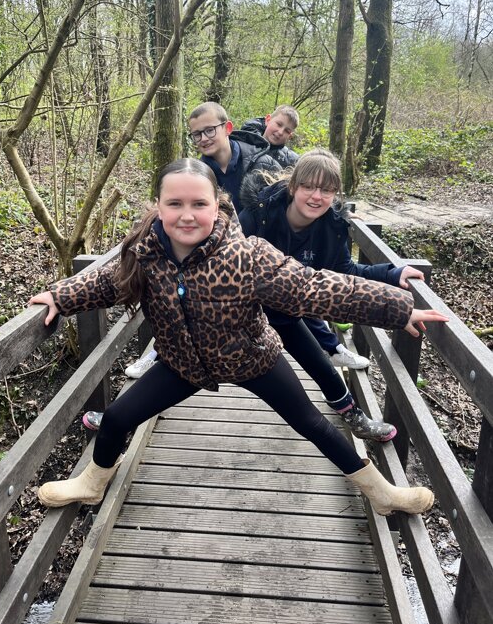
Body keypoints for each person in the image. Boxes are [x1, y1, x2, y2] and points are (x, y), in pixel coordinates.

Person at [30, 158, 447, 516]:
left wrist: (397, 308)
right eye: (175, 204)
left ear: (217, 205)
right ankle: (92, 483)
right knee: (118, 418)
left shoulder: (247, 256)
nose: (187, 215)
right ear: (158, 206)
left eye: (199, 204)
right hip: (185, 364)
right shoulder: (146, 254)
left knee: (313, 423)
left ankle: (381, 493)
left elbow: (314, 287)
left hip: (253, 357)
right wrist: (59, 296)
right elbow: (107, 282)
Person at [124, 101, 283, 381]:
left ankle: (338, 388)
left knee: (292, 324)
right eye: (196, 134)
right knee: (184, 306)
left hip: (263, 256)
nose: (203, 138)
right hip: (218, 258)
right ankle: (160, 354)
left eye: (209, 130)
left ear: (227, 128)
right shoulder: (197, 173)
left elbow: (290, 197)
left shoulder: (262, 161)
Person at [239, 148, 427, 371]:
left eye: (326, 190)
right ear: (293, 186)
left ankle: (334, 352)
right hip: (250, 315)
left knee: (330, 380)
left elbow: (346, 271)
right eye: (308, 187)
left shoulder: (332, 227)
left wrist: (392, 273)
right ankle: (332, 348)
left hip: (291, 313)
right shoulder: (258, 215)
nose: (317, 196)